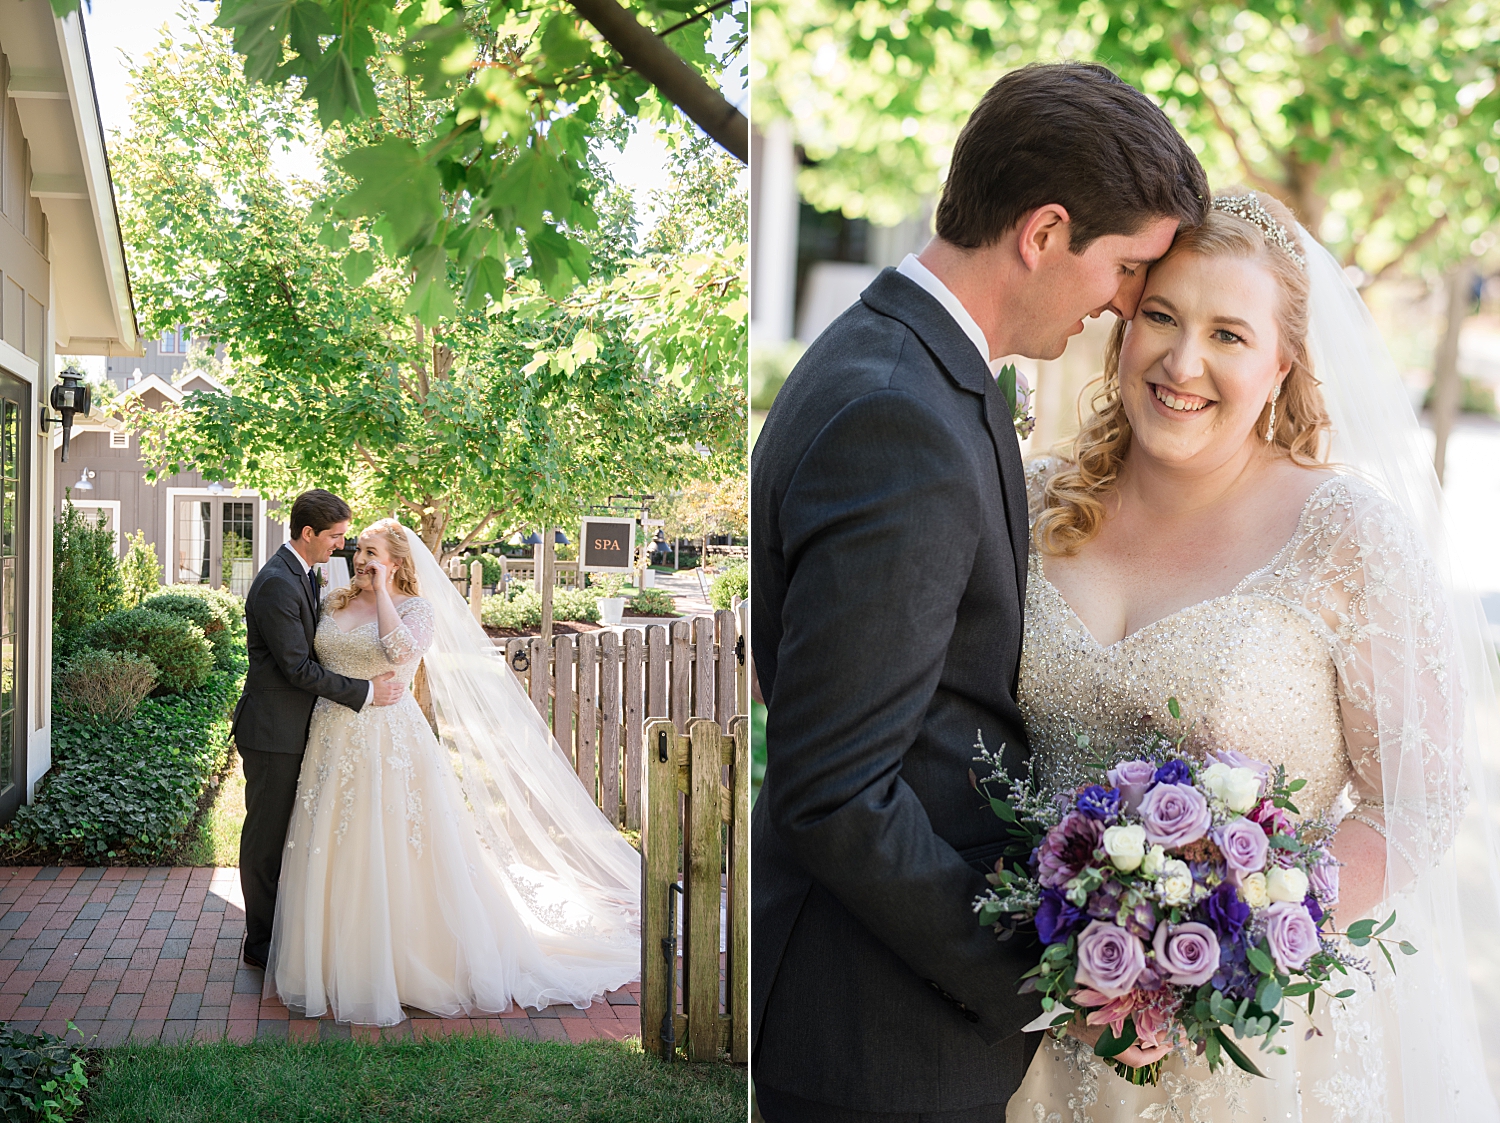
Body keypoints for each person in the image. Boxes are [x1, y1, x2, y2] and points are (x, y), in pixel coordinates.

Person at [749, 62, 1209, 1121]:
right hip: (872, 1040)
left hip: (891, 1021)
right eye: (1129, 266)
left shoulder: (914, 366)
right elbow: (836, 792)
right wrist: (1042, 978)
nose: (1126, 304)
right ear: (1045, 233)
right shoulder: (897, 414)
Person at [1006, 191, 1500, 1120]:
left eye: (1229, 334)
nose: (1182, 361)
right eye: (1160, 315)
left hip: (1255, 1047)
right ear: (1123, 325)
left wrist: (1245, 936)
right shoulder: (1027, 501)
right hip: (1030, 1025)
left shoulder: (1347, 535)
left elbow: (1419, 799)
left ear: (1283, 365)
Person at [265, 518, 640, 1025]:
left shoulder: (416, 609)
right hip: (332, 735)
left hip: (388, 739)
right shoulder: (331, 599)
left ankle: (404, 964)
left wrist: (380, 596)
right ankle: (333, 961)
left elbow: (401, 653)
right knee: (333, 842)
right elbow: (311, 659)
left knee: (393, 844)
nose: (359, 558)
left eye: (371, 552)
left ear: (395, 560)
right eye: (358, 550)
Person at [233, 489, 404, 971]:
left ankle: (286, 928)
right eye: (335, 537)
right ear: (308, 534)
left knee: (293, 833)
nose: (342, 547)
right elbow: (296, 668)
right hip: (272, 730)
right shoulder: (276, 584)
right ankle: (260, 942)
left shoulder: (304, 573)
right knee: (265, 840)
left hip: (301, 726)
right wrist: (366, 692)